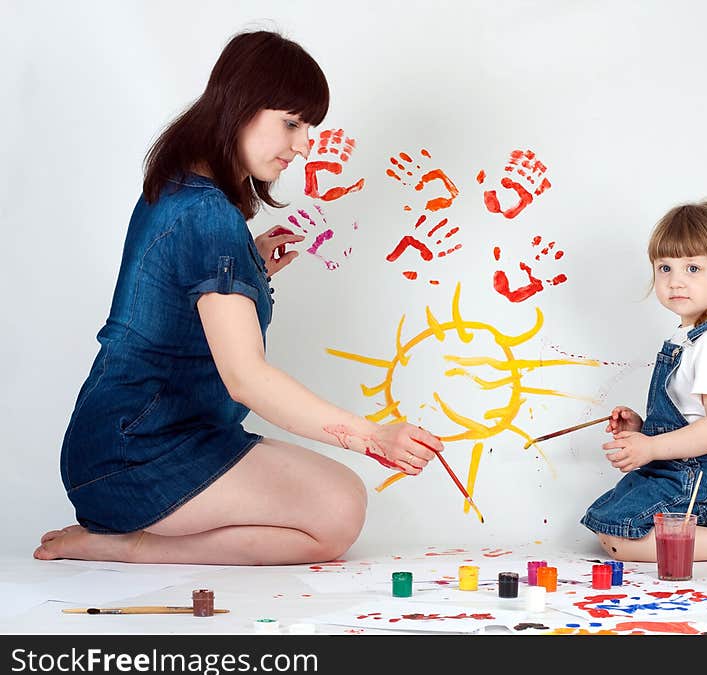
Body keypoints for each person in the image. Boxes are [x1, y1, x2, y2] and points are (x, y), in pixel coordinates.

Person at [34, 29, 443, 566]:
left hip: (145, 439)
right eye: (291, 123)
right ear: (241, 106)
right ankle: (132, 546)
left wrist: (247, 263)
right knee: (339, 512)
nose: (302, 146)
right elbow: (246, 378)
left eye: (308, 129)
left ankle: (130, 538)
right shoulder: (208, 217)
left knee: (339, 503)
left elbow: (173, 299)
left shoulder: (182, 190)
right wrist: (373, 435)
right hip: (135, 456)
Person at [581, 199, 707, 562]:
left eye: (692, 268)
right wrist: (643, 430)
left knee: (620, 539)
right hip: (681, 471)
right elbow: (688, 417)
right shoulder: (689, 340)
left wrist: (651, 449)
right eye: (664, 268)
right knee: (607, 525)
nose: (676, 281)